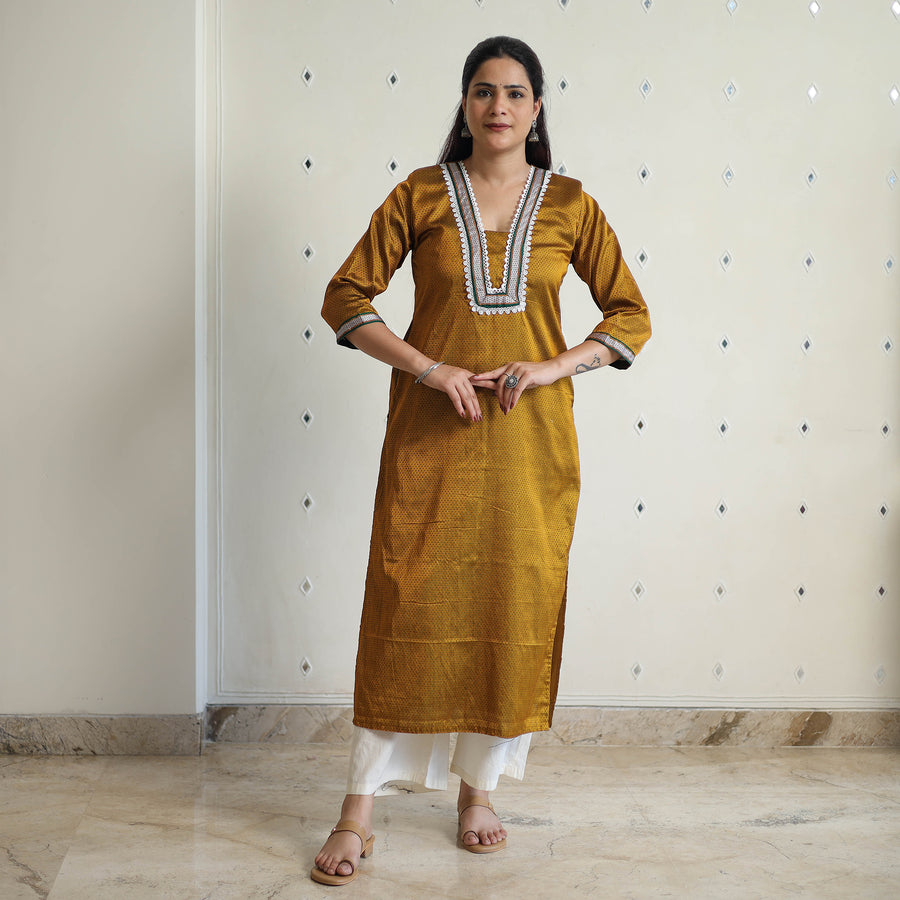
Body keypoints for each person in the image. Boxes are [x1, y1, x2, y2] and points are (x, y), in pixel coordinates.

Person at [312, 35, 651, 886]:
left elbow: (630, 315)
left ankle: (478, 793)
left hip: (529, 446)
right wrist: (429, 368)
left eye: (515, 92)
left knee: (508, 602)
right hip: (429, 438)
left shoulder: (569, 203)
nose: (499, 106)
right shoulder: (421, 194)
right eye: (483, 90)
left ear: (536, 109)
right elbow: (344, 296)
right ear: (465, 104)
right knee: (406, 606)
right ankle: (358, 810)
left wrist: (551, 367)